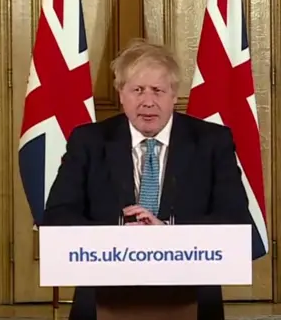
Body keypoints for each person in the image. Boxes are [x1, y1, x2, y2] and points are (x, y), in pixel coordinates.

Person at [42, 39, 252, 320]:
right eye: (137, 90)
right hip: (104, 290)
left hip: (190, 292)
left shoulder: (212, 142)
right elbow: (57, 216)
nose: (148, 102)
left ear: (174, 94)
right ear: (121, 93)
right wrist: (120, 239)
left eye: (157, 90)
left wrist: (168, 234)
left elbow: (235, 218)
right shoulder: (89, 141)